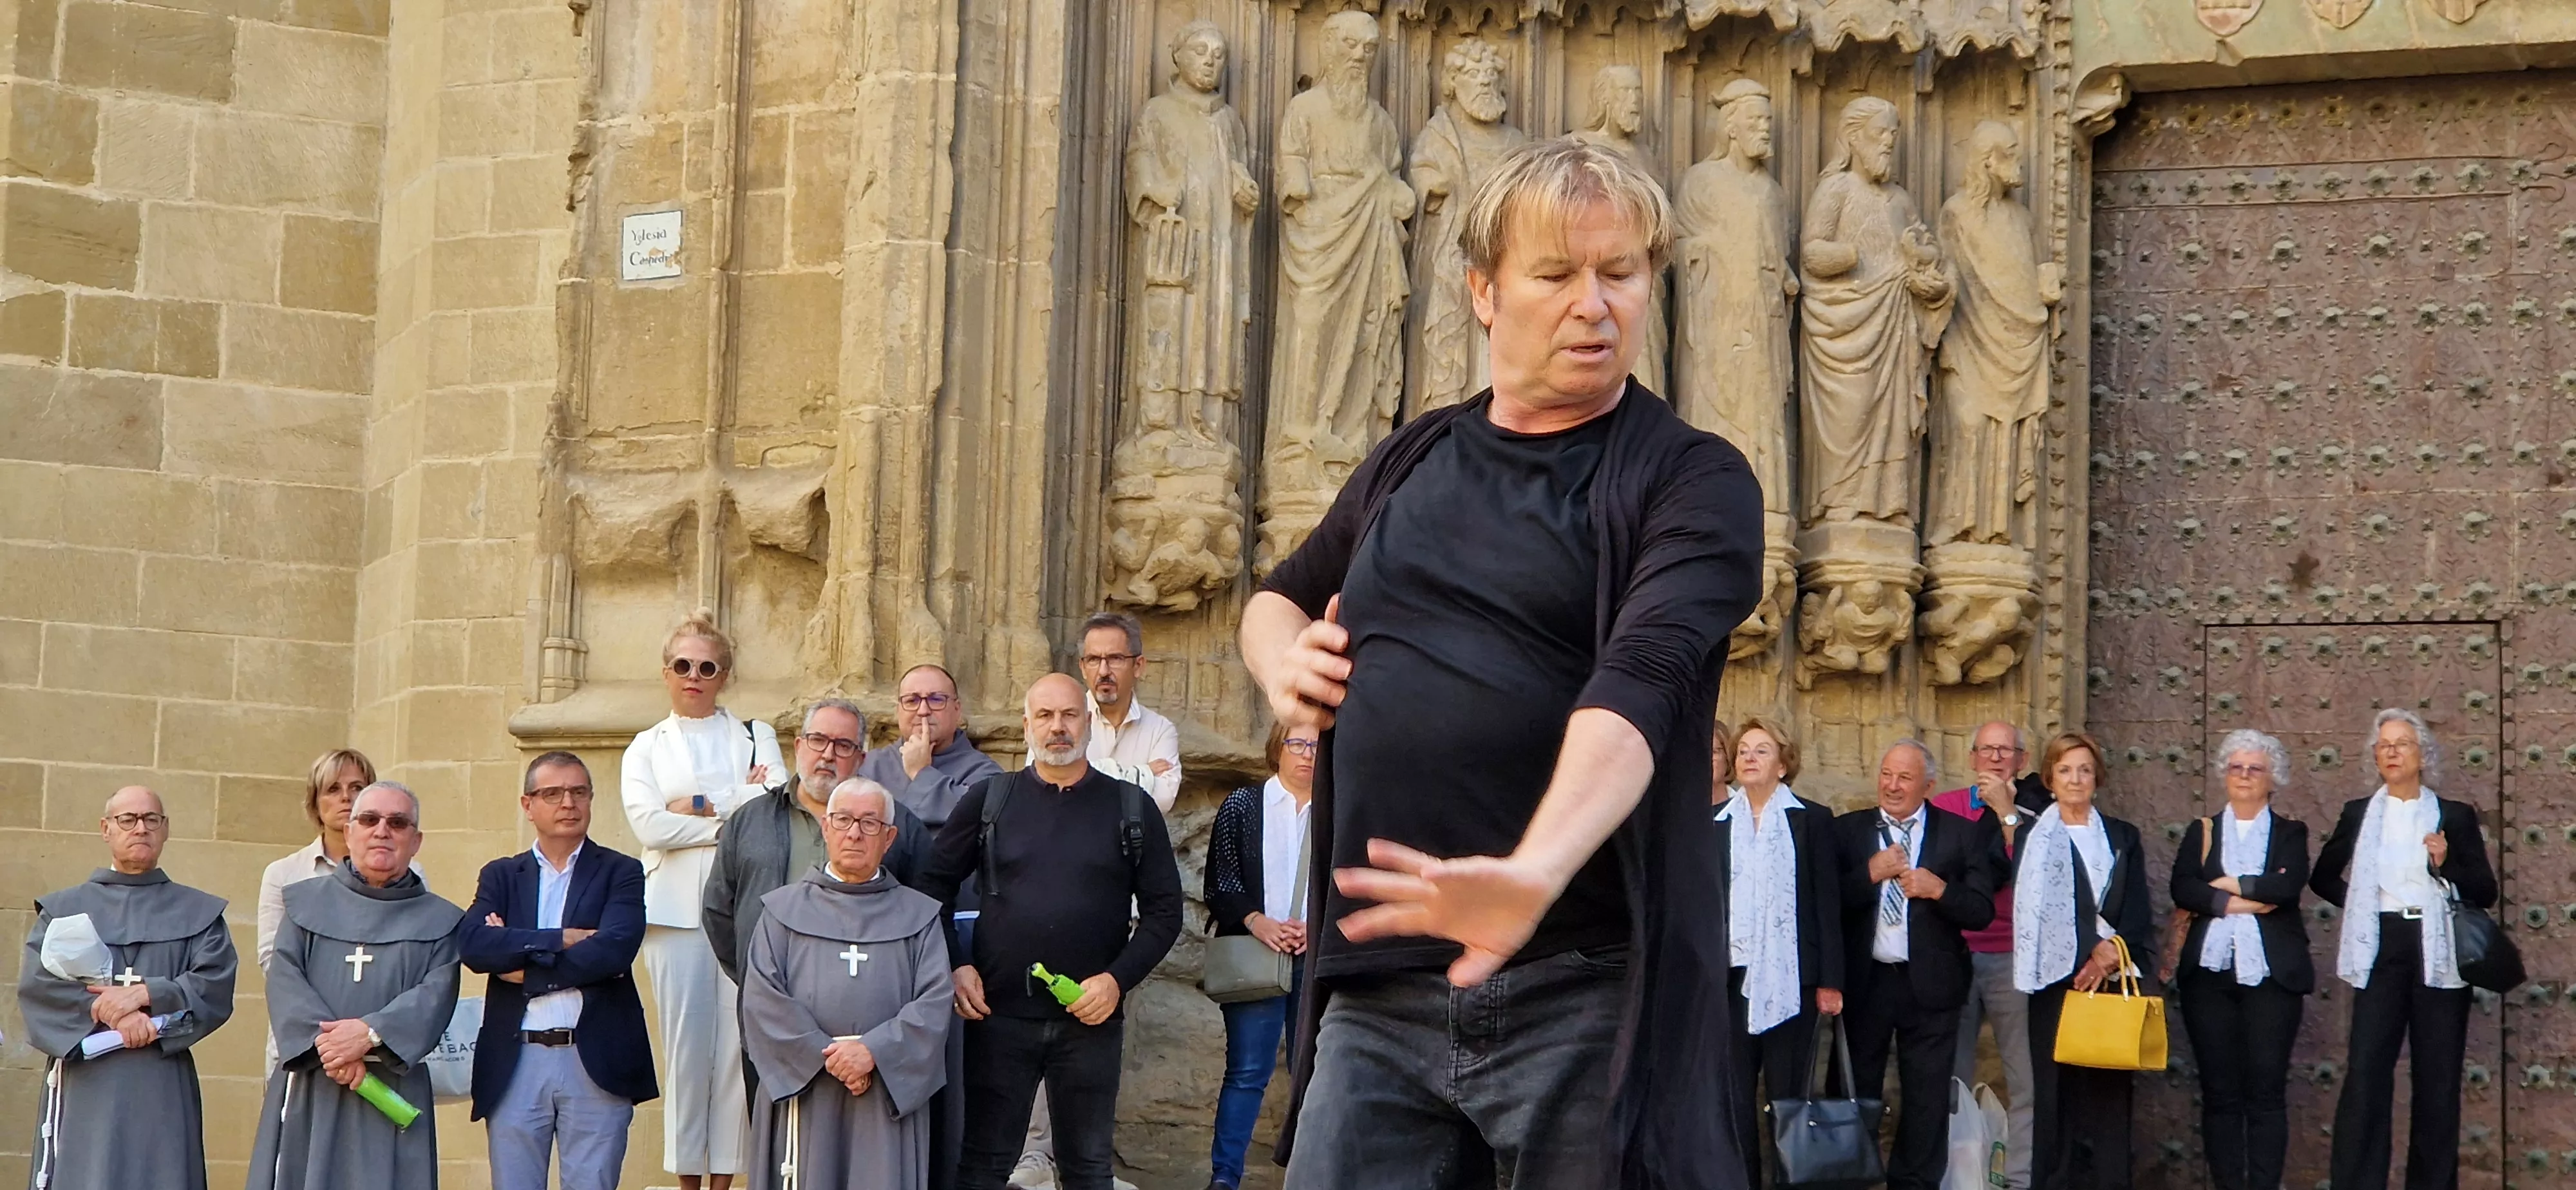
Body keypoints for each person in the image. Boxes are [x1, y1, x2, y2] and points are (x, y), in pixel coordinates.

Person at [1241, 137, 1765, 1186]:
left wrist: (1533, 873)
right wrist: (1282, 662)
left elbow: (1645, 681)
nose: (1594, 304)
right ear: (1484, 291)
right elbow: (1277, 594)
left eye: (1621, 273)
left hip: (1582, 990)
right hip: (1378, 998)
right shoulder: (1411, 459)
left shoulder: (1691, 480)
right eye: (1557, 273)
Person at [918, 674, 1186, 1190]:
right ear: (1027, 726)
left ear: (1087, 723)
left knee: (1087, 1170)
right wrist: (956, 964)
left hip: (1090, 1020)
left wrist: (1117, 981)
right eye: (1044, 716)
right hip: (999, 1017)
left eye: (1068, 715)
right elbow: (932, 886)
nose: (1057, 727)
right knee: (982, 1167)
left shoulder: (1131, 808)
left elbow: (1165, 913)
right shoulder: (991, 801)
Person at [620, 610, 784, 1190]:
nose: (695, 676)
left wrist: (693, 804)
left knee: (738, 1048)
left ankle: (725, 1181)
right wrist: (731, 814)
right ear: (666, 672)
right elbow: (649, 825)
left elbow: (774, 798)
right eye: (683, 665)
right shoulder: (646, 746)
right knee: (687, 1049)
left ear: (724, 675)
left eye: (707, 667)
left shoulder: (755, 735)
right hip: (674, 914)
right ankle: (688, 1179)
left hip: (744, 908)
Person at [2312, 708, 2497, 1190]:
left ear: (2423, 755)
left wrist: (2446, 861)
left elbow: (2485, 890)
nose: (2392, 752)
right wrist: (2362, 907)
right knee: (2366, 1072)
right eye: (2384, 745)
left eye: (2402, 744)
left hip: (2438, 948)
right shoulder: (2358, 813)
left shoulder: (2453, 815)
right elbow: (2323, 877)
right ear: (2375, 757)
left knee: (2438, 1080)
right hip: (2382, 944)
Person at [18, 786, 237, 1190]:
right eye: (128, 820)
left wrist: (149, 994)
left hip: (161, 1080)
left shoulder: (199, 913)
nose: (141, 828)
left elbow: (214, 983)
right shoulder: (63, 910)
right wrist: (111, 1013)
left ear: (165, 829)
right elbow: (39, 987)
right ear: (106, 829)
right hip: (87, 1082)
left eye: (151, 819)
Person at [247, 782, 464, 1190]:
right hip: (314, 1078)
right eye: (369, 820)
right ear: (349, 833)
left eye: (397, 823)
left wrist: (369, 1034)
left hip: (392, 1084)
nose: (382, 831)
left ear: (416, 841)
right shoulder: (303, 903)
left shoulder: (441, 921)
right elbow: (285, 978)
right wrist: (330, 1049)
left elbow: (436, 995)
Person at [740, 780, 954, 1190]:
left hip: (884, 1088)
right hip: (807, 1087)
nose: (854, 833)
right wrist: (828, 1058)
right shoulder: (782, 910)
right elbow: (763, 999)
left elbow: (934, 1002)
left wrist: (874, 1052)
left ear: (889, 838)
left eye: (869, 823)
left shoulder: (919, 917)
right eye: (843, 820)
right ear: (826, 827)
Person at [459, 751, 657, 1190]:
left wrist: (525, 966)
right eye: (553, 793)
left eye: (578, 792)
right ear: (528, 805)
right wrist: (560, 938)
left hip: (595, 1060)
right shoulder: (501, 876)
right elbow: (474, 946)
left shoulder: (621, 872)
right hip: (517, 1060)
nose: (568, 803)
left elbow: (613, 951)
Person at [1833, 741, 2005, 1190]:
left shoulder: (1961, 834)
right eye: (1887, 774)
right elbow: (1823, 903)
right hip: (1865, 983)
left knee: (1927, 1099)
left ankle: (1914, 1183)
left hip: (1932, 986)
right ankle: (1851, 1180)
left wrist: (1939, 890)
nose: (1892, 785)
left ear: (1928, 785)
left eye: (1905, 778)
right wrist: (1869, 875)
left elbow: (1981, 911)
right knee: (1854, 1092)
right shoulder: (1847, 830)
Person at [2011, 732, 2155, 1190]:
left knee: (2110, 1098)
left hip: (2112, 981)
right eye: (2066, 770)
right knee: (2055, 1098)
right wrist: (2089, 950)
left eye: (2085, 770)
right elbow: (2035, 909)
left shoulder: (2122, 835)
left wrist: (2110, 954)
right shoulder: (2033, 837)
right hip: (2056, 982)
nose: (2075, 779)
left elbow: (2138, 907)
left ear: (2098, 778)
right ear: (2050, 779)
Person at [2170, 730, 2312, 1190]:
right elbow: (2183, 887)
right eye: (2236, 767)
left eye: (2255, 768)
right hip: (2208, 979)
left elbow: (2285, 887)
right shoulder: (2202, 832)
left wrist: (2225, 884)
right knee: (2220, 1093)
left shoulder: (2291, 833)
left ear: (2273, 778)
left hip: (2273, 979)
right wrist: (2246, 899)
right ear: (2224, 774)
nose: (2245, 775)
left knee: (2266, 1092)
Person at [710, 701, 931, 987]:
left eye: (843, 746)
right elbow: (718, 910)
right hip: (769, 996)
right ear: (799, 746)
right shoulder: (751, 820)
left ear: (861, 759)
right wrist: (754, 977)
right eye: (818, 740)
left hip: (869, 997)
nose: (828, 754)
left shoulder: (897, 825)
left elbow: (924, 911)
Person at [1716, 717, 1843, 1188]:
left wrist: (1831, 981)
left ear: (1784, 764)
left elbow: (1826, 904)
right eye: (1743, 751)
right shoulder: (1716, 823)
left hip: (1794, 979)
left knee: (1789, 1099)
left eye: (1762, 750)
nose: (1749, 758)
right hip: (1731, 979)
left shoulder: (1812, 819)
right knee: (1734, 1098)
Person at [1927, 721, 2049, 1190]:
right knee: (1948, 1078)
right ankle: (1951, 1177)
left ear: (2022, 760)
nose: (1996, 758)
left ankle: (2018, 1180)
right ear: (1972, 757)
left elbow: (2035, 870)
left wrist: (2007, 813)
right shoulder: (1946, 808)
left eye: (2006, 750)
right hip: (1955, 954)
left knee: (2025, 1080)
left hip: (2014, 957)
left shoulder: (2041, 812)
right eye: (1987, 749)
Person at [1200, 722, 1315, 1190]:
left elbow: (1346, 883)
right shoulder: (1244, 805)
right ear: (1277, 748)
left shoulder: (1338, 809)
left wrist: (1318, 929)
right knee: (1247, 1071)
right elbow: (1219, 883)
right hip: (1255, 952)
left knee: (1315, 1074)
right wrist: (1256, 921)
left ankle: (1313, 1177)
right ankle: (1224, 1179)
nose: (1307, 753)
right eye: (1297, 743)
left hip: (1315, 958)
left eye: (1317, 745)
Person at [259, 748, 408, 1073]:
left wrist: (365, 1032)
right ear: (315, 802)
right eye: (333, 789)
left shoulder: (407, 874)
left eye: (357, 788)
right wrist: (332, 1040)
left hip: (377, 1044)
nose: (346, 798)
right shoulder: (285, 874)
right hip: (305, 1045)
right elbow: (275, 962)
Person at [858, 665, 1006, 828]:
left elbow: (980, 817)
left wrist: (921, 773)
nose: (923, 711)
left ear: (957, 710)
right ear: (898, 711)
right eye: (912, 701)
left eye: (936, 700)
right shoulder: (870, 766)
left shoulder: (986, 773)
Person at [1079, 611, 1182, 813]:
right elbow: (1049, 786)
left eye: (1115, 659)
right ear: (1082, 667)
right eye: (1093, 659)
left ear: (1138, 666)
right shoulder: (1059, 723)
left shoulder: (1160, 730)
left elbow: (1161, 801)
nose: (1103, 671)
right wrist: (1142, 774)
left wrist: (1085, 775)